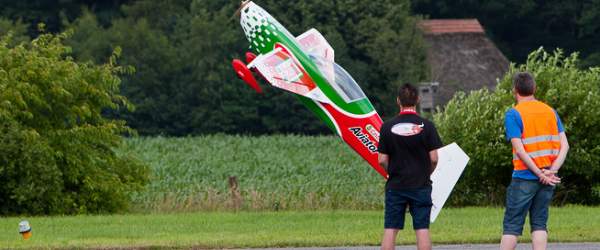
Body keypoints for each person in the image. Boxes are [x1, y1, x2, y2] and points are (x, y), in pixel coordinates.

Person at [500, 72, 569, 250]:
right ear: (534, 89)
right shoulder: (550, 111)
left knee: (512, 226)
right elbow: (565, 145)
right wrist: (551, 171)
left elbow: (520, 149)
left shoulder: (514, 114)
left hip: (524, 176)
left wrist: (538, 172)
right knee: (539, 224)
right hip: (548, 177)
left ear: (515, 90)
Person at [378, 83, 442, 250]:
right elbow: (434, 159)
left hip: (396, 185)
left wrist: (390, 172)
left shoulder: (386, 127)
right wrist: (426, 173)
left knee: (390, 229)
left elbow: (382, 160)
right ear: (418, 100)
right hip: (421, 185)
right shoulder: (427, 126)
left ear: (398, 100)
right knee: (422, 229)